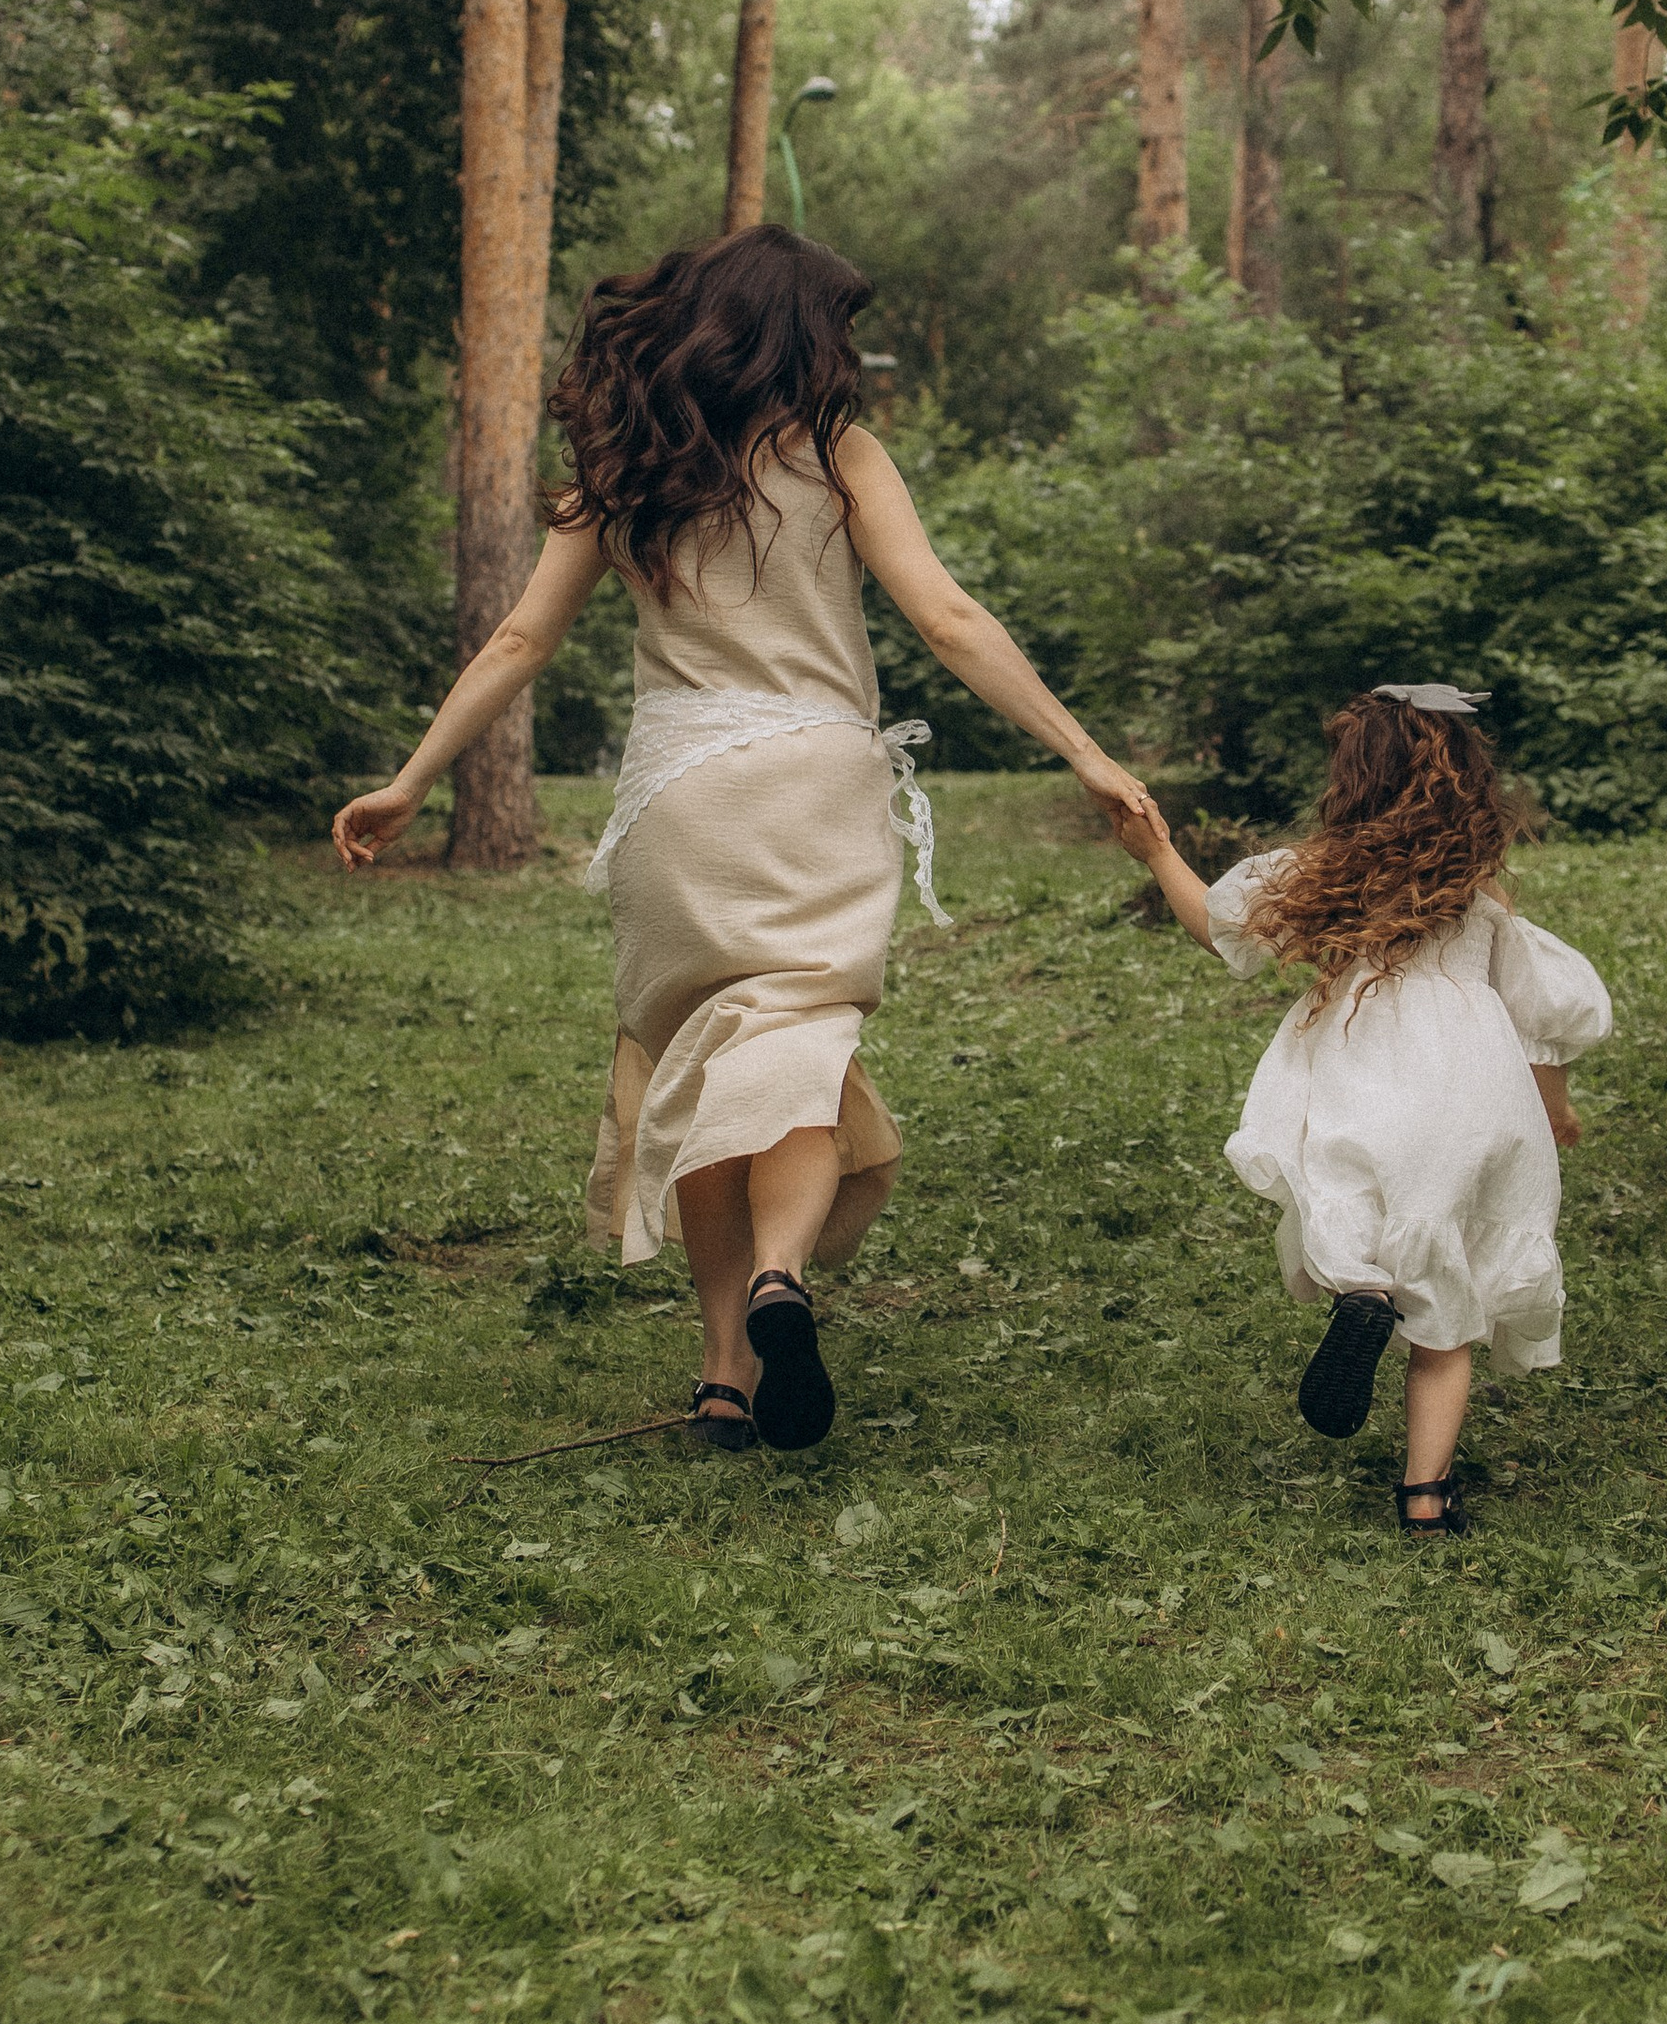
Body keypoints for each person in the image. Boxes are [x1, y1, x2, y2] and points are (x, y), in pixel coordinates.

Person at [332, 227, 1154, 1453]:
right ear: (799, 334)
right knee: (798, 1045)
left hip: (679, 802)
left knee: (692, 1063)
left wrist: (407, 782)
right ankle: (782, 1274)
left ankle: (724, 1375)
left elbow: (518, 642)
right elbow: (945, 615)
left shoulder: (625, 467)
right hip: (816, 788)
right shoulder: (840, 457)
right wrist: (1082, 749)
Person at [1116, 685, 1611, 1535]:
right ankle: (1425, 1499)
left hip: (1365, 1064)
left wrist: (1156, 850)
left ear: (1354, 777)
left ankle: (1362, 1291)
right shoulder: (1477, 881)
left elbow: (1218, 925)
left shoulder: (1328, 868)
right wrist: (1554, 1107)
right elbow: (1539, 1013)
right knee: (1446, 1307)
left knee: (1353, 1196)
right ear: (1464, 778)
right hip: (1470, 1082)